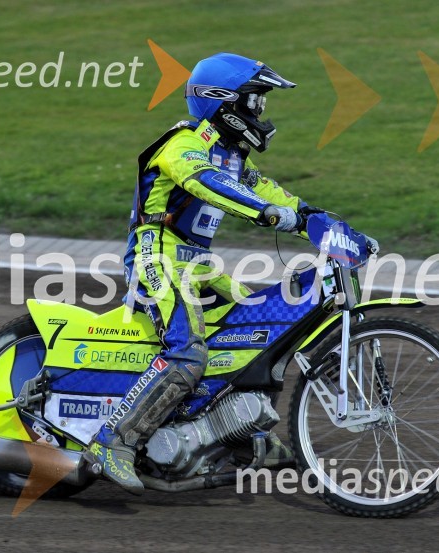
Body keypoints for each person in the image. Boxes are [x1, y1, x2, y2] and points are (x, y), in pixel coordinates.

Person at [86, 53, 311, 494]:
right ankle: (113, 442)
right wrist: (266, 213)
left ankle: (240, 436)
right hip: (156, 257)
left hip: (197, 265)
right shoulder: (184, 144)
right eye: (255, 100)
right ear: (224, 101)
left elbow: (280, 198)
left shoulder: (233, 157)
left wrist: (327, 224)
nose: (260, 111)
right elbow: (206, 181)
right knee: (188, 353)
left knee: (266, 330)